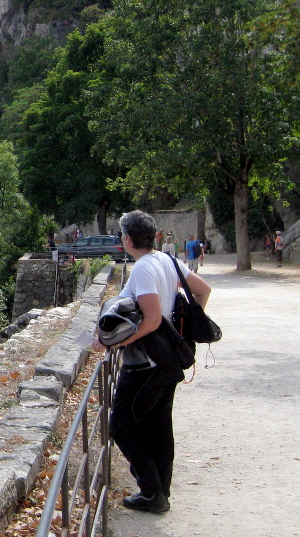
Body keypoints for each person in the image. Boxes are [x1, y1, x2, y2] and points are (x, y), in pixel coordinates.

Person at [92, 210, 211, 514]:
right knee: (159, 425)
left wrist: (118, 340)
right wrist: (180, 327)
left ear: (128, 239)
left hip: (147, 363)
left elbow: (153, 318)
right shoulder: (167, 261)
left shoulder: (144, 267)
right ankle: (160, 491)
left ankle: (151, 490)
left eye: (122, 235)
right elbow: (203, 290)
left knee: (121, 425)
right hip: (168, 360)